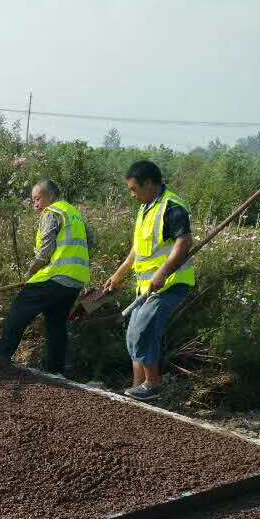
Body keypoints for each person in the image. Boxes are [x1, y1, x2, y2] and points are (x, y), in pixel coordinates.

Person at [103, 160, 194, 400]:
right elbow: (138, 250)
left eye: (134, 189)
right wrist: (119, 274)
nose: (132, 195)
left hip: (171, 283)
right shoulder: (146, 208)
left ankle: (153, 385)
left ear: (150, 183)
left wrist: (162, 273)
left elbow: (184, 242)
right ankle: (138, 387)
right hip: (146, 286)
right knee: (134, 333)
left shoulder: (171, 206)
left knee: (143, 328)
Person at [0, 179, 90, 376]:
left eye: (38, 198)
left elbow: (45, 252)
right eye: (33, 199)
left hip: (57, 275)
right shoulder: (73, 213)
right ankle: (55, 370)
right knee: (56, 323)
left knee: (20, 308)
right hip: (76, 280)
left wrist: (31, 273)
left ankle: (2, 355)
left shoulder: (52, 213)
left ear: (51, 196)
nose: (35, 203)